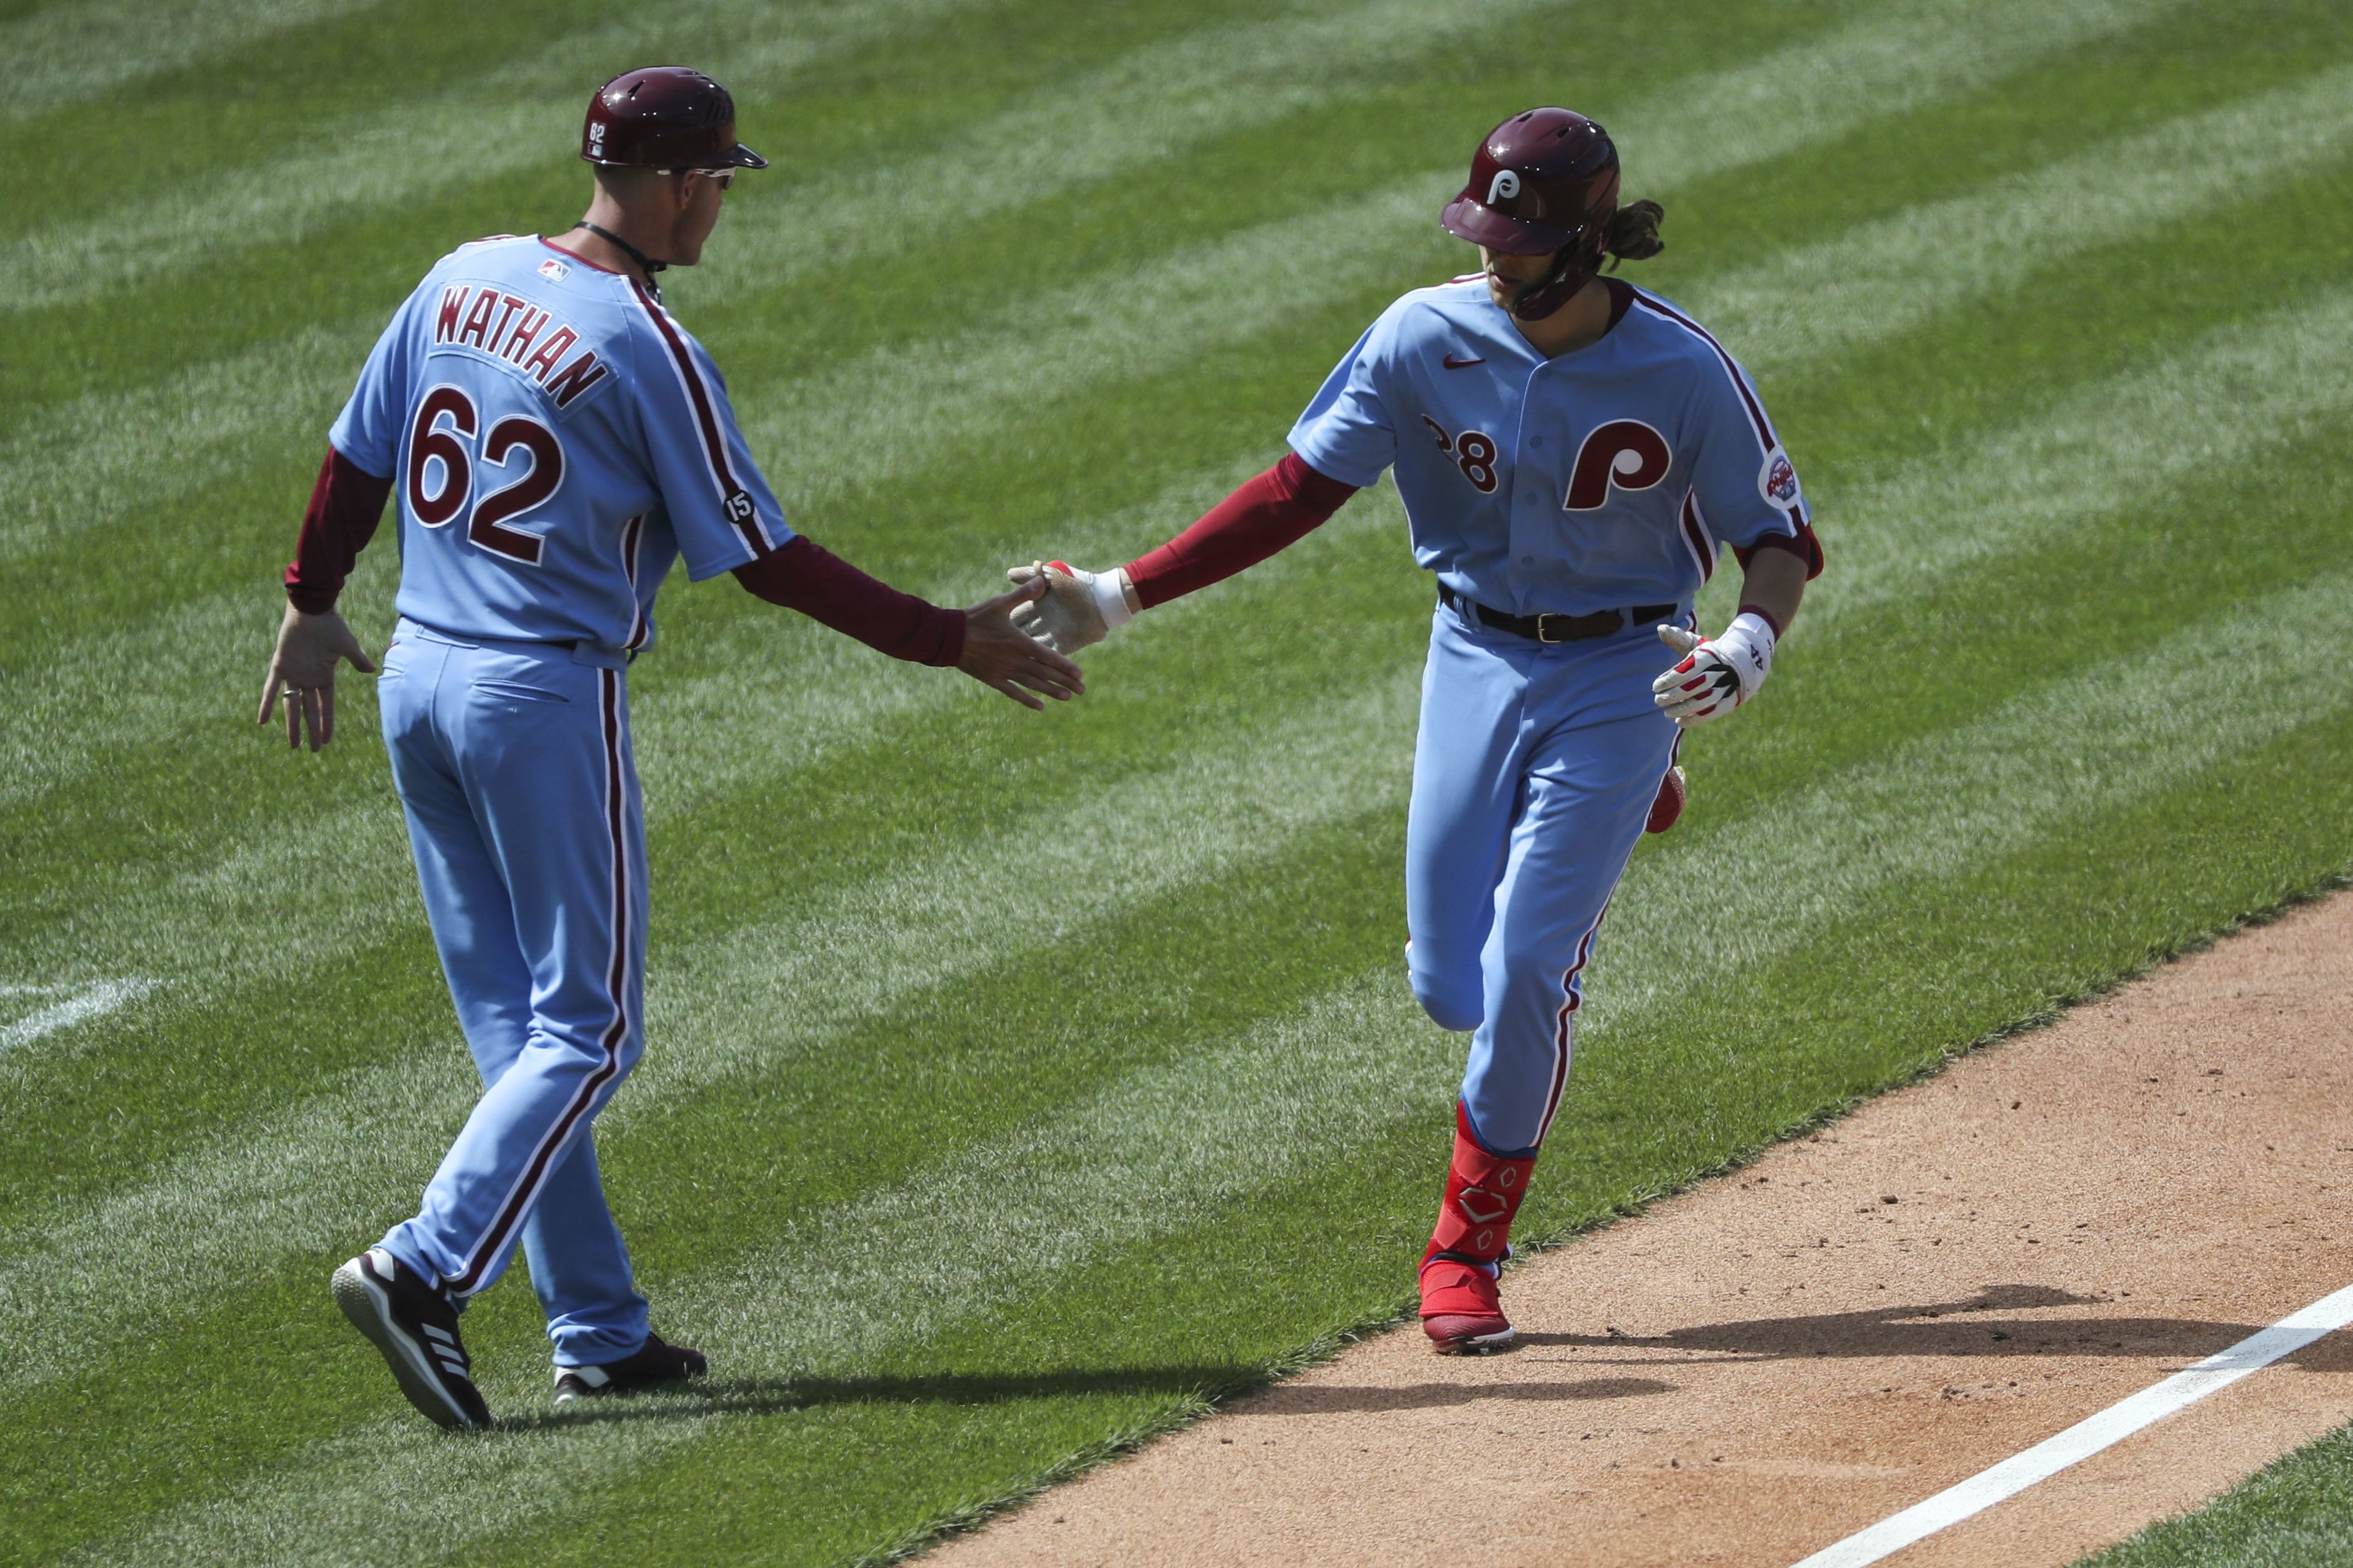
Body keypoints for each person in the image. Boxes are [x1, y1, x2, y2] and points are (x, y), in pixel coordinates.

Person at [256, 65, 1083, 1428]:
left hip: (417, 672)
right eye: (720, 182)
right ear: (681, 184)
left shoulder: (461, 273)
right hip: (539, 700)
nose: (722, 208)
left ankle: (595, 1325)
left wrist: (305, 602)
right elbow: (763, 557)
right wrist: (952, 638)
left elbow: (359, 455)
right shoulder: (647, 343)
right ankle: (420, 1267)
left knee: (518, 1031)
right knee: (591, 1027)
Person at [1008, 108, 1820, 1354]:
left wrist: (1746, 646)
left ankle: (1464, 1255)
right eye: (1484, 229)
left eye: (1522, 237)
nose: (1495, 255)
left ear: (1588, 241)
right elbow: (1296, 490)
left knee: (1525, 975)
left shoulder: (1681, 369)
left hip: (1623, 672)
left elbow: (1778, 539)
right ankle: (1622, 798)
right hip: (1475, 656)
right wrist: (1122, 590)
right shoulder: (1417, 336)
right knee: (1447, 984)